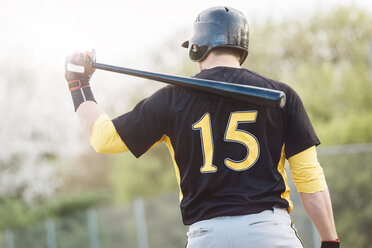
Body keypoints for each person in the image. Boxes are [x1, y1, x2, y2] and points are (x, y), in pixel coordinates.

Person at [64, 6, 339, 248]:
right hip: (267, 231)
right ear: (241, 48)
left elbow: (103, 138)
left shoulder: (170, 99)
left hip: (206, 235)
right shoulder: (281, 94)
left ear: (197, 48)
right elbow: (309, 179)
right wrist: (330, 240)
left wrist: (78, 85)